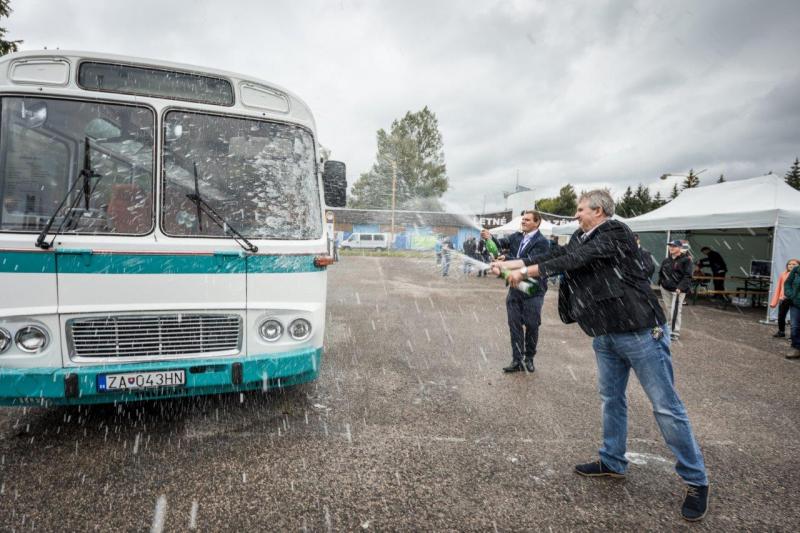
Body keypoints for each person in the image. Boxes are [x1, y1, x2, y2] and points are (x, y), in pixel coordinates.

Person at [494, 190, 709, 521]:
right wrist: (512, 265)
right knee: (611, 398)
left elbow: (572, 261)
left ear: (599, 210)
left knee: (666, 407)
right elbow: (561, 255)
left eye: (580, 209)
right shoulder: (582, 236)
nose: (576, 215)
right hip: (606, 333)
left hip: (640, 331)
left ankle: (696, 481)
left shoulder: (615, 233)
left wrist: (525, 272)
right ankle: (612, 460)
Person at [480, 210, 550, 374]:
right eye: (523, 219)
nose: (523, 222)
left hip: (533, 289)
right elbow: (499, 244)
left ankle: (529, 358)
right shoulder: (516, 237)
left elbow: (532, 262)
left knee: (532, 325)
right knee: (514, 325)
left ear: (537, 223)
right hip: (514, 287)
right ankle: (517, 360)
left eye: (527, 220)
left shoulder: (542, 242)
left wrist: (507, 260)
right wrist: (489, 237)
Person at [658, 240, 693, 340]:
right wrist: (661, 283)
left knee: (676, 311)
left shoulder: (686, 260)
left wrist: (680, 288)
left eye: (674, 246)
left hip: (678, 290)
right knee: (668, 310)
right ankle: (668, 329)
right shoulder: (666, 260)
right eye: (670, 246)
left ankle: (675, 332)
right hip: (665, 289)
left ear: (680, 248)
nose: (671, 248)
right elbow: (661, 272)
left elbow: (688, 276)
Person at [770, 259, 799, 339]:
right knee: (781, 316)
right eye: (789, 264)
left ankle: (794, 336)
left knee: (794, 319)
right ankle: (781, 331)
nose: (791, 265)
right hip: (784, 299)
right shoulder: (783, 274)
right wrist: (774, 301)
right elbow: (779, 288)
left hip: (795, 300)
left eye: (794, 264)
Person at [783, 262, 800, 359]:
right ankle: (796, 348)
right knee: (795, 327)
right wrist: (791, 295)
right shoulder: (796, 269)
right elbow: (787, 283)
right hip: (796, 303)